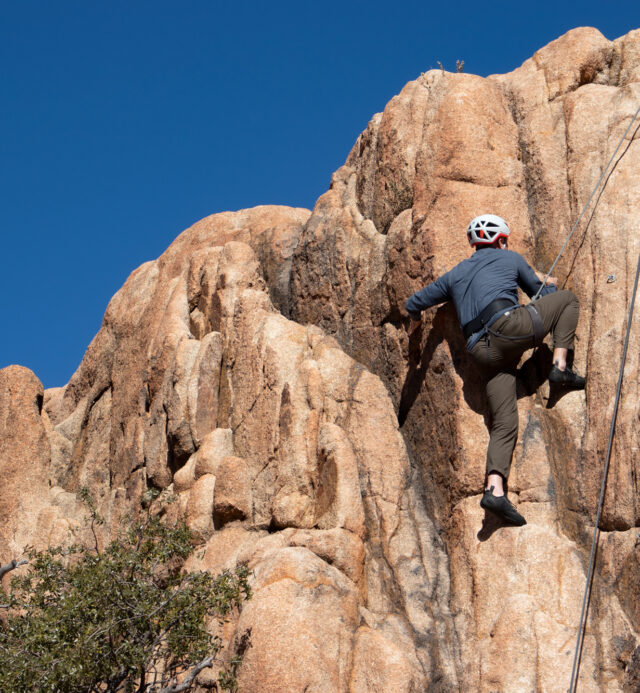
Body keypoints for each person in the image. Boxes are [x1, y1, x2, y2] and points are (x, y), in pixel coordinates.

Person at [405, 214, 585, 526]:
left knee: (504, 421)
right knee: (567, 301)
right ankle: (559, 368)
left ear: (475, 245)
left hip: (482, 354)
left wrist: (415, 329)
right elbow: (541, 296)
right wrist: (548, 284)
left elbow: (414, 303)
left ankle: (495, 490)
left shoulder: (455, 274)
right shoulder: (510, 258)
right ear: (501, 240)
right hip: (509, 327)